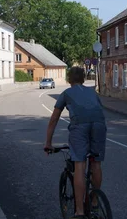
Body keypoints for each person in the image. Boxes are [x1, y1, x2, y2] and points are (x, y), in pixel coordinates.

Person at [45, 67, 107, 218]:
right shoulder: (93, 92)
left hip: (80, 127)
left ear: (69, 79)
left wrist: (48, 143)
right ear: (84, 79)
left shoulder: (66, 94)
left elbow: (54, 119)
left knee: (79, 164)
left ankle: (79, 211)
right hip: (99, 125)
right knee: (96, 162)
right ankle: (94, 203)